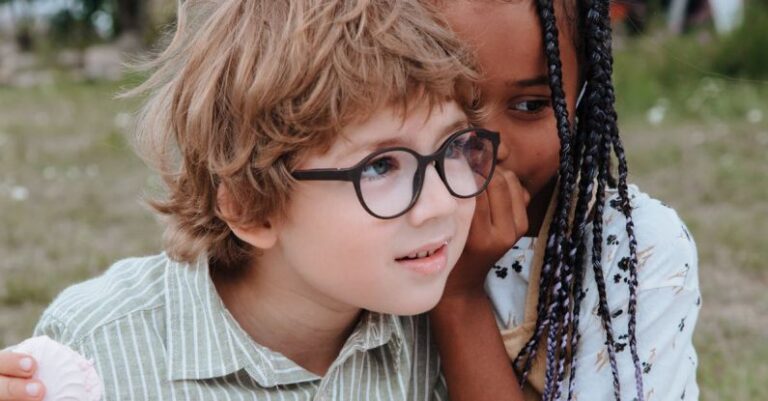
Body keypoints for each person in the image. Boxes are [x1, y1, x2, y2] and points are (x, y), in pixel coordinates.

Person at [0, 0, 514, 399]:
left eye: (452, 147)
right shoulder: (101, 349)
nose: (441, 204)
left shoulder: (437, 328)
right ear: (251, 207)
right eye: (380, 166)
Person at [429, 1, 701, 400]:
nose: (491, 146)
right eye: (450, 103)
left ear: (580, 97)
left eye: (529, 106)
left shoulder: (636, 251)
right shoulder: (366, 228)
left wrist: (459, 297)